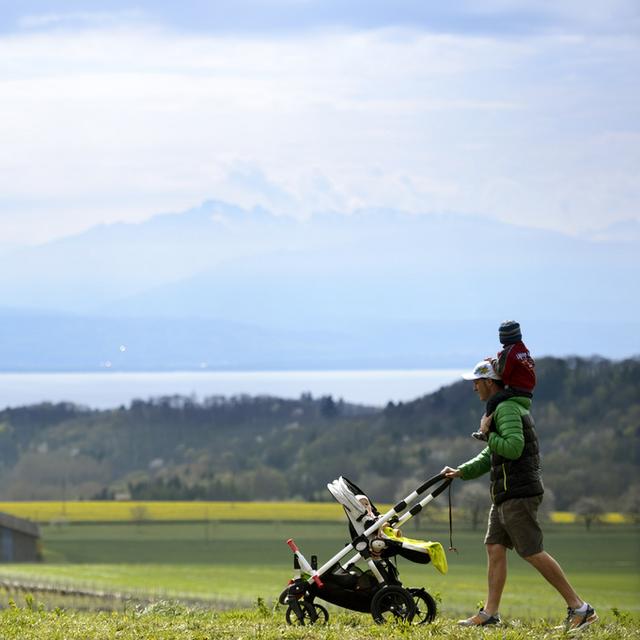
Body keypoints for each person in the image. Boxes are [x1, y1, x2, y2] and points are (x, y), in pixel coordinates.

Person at [442, 358, 597, 633]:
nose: (474, 387)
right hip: (505, 494)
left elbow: (512, 448)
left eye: (477, 382)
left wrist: (487, 434)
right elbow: (493, 454)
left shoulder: (507, 409)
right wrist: (462, 472)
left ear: (490, 382)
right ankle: (490, 613)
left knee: (532, 551)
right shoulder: (501, 408)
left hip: (518, 493)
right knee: (494, 547)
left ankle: (580, 609)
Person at [472, 320, 536, 441]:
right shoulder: (522, 349)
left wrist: (493, 361)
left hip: (516, 389)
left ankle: (486, 430)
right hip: (527, 389)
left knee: (492, 403)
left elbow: (501, 370)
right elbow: (530, 363)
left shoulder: (509, 352)